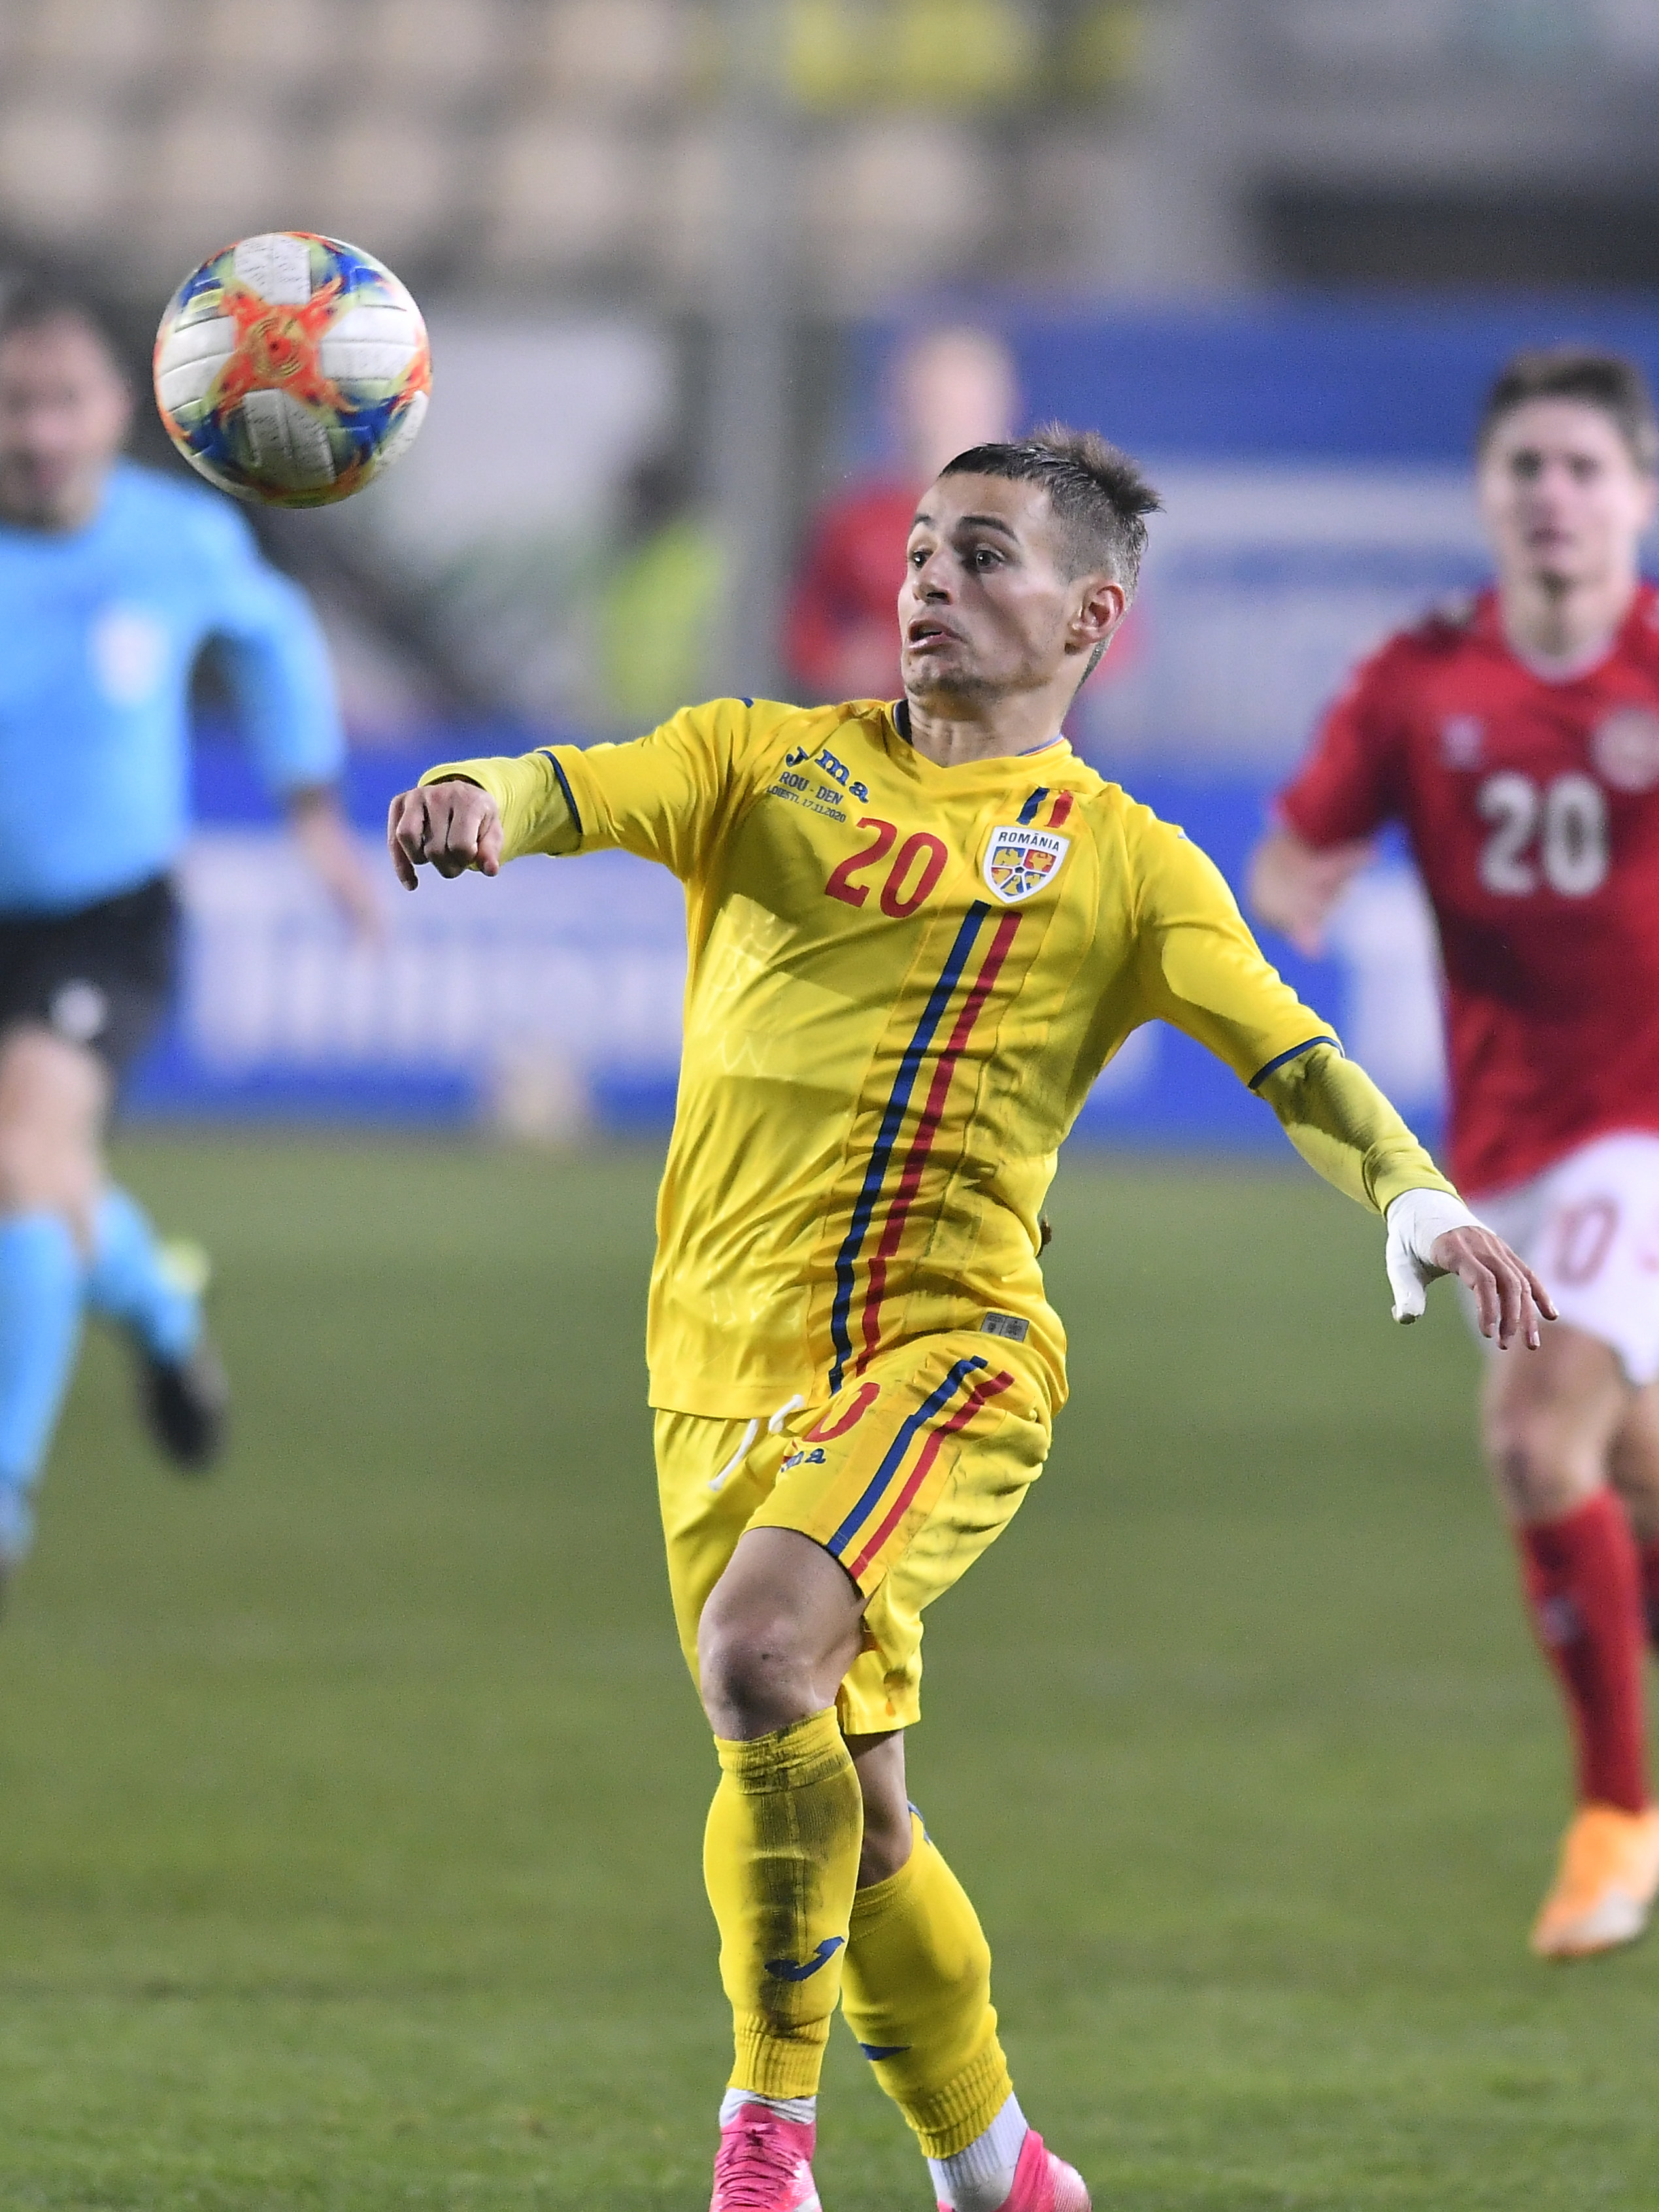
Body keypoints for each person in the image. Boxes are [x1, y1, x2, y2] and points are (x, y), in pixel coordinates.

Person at [390, 427, 1545, 2212]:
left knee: (761, 1657)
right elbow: (569, 782)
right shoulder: (757, 762)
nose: (930, 581)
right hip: (706, 1369)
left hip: (948, 1355)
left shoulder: (1122, 863)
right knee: (852, 1804)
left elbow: (1288, 1049)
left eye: (982, 556)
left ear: (1089, 615)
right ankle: (1000, 2166)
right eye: (924, 549)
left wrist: (1414, 1195)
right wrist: (476, 797)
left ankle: (762, 2148)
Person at [1248, 346, 1659, 1960]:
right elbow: (1293, 849)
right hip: (1508, 1148)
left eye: (1583, 468)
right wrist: (1289, 897)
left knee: (1525, 1431)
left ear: (1634, 495)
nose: (1552, 496)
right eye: (1525, 470)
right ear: (1488, 498)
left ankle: (1612, 1823)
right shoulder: (1418, 681)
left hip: (1648, 1134)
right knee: (1626, 1479)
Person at [0, 283, 375, 1588]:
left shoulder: (176, 542)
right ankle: (160, 1300)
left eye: (64, 402)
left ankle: (6, 1495)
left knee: (23, 1153)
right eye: (15, 405)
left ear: (118, 413)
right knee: (32, 1187)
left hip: (103, 921)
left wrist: (317, 818)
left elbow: (276, 645)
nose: (39, 433)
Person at [786, 325, 1019, 703]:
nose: (948, 420)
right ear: (901, 407)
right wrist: (844, 664)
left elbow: (1107, 646)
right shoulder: (856, 520)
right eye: (935, 402)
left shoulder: (1049, 521)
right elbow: (805, 634)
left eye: (965, 404)